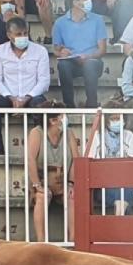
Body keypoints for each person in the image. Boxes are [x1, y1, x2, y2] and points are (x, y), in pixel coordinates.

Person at [0, 17, 50, 154]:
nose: (23, 37)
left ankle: (40, 151)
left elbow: (44, 81)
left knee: (41, 105)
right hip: (9, 97)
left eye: (25, 33)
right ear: (9, 35)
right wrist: (11, 98)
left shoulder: (40, 51)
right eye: (18, 34)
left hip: (32, 96)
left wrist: (27, 97)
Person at [26, 101, 80, 242]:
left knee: (72, 197)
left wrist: (71, 183)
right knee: (42, 197)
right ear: (53, 120)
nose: (64, 118)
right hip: (43, 180)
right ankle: (41, 241)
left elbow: (76, 159)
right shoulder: (36, 133)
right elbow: (31, 159)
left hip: (64, 180)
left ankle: (73, 240)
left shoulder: (68, 133)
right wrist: (37, 185)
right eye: (62, 115)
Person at [53, 0, 108, 108]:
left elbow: (102, 49)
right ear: (75, 2)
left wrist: (88, 57)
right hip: (72, 62)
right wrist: (62, 52)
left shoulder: (97, 20)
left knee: (90, 64)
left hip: (92, 61)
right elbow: (56, 50)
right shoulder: (60, 23)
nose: (90, 2)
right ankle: (69, 105)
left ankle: (92, 103)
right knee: (63, 65)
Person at [85, 104, 133, 215]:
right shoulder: (97, 136)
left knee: (126, 191)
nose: (116, 121)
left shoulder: (128, 136)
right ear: (106, 121)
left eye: (119, 118)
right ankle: (122, 223)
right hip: (103, 184)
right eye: (113, 119)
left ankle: (119, 217)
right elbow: (91, 163)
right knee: (122, 198)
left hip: (125, 182)